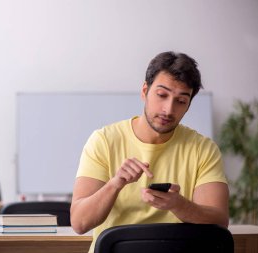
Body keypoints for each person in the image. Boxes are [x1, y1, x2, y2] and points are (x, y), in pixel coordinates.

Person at [70, 51, 229, 252]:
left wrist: (178, 205)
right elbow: (79, 223)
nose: (168, 110)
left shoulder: (203, 149)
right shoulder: (103, 141)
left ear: (189, 105)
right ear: (145, 90)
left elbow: (219, 221)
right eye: (162, 95)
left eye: (180, 101)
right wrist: (115, 184)